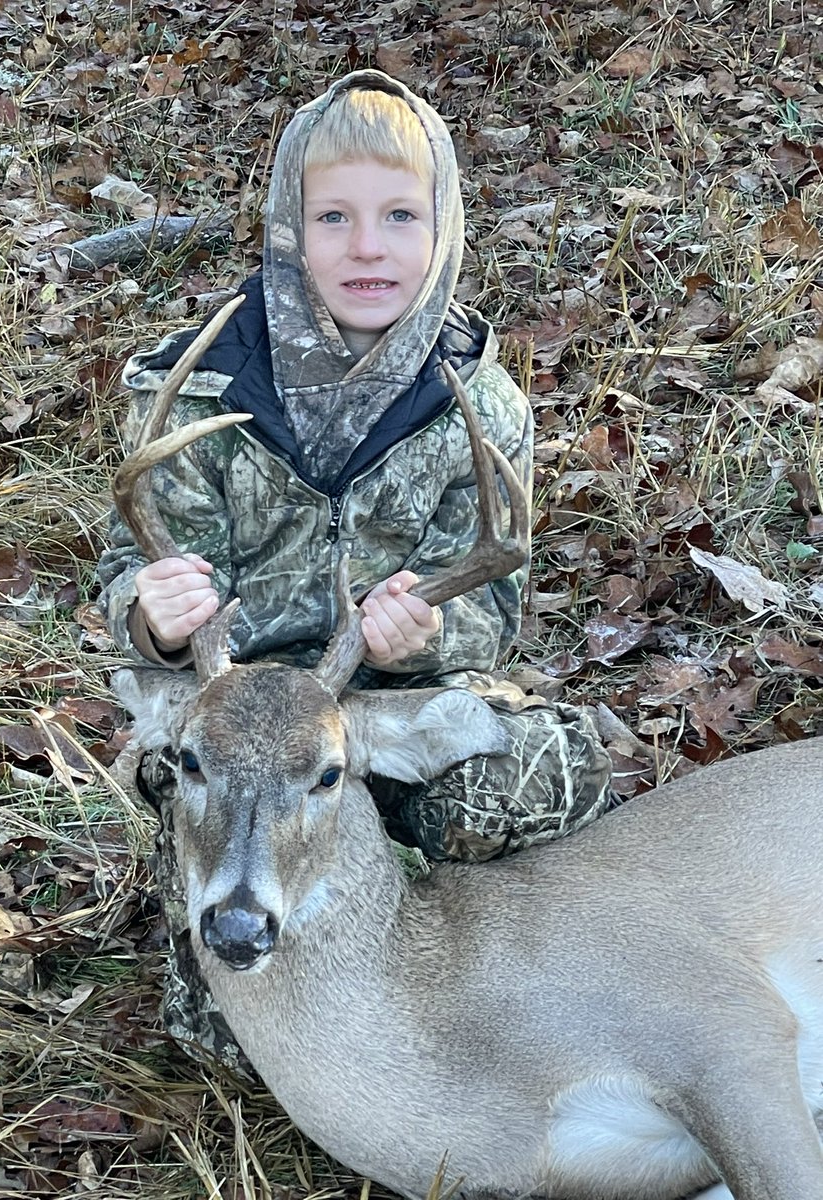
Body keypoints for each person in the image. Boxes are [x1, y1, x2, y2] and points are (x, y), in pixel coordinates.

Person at [98, 71, 614, 1068]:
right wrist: (152, 617)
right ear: (288, 226)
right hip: (238, 723)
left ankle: (450, 940)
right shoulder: (193, 389)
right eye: (332, 216)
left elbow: (494, 604)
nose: (367, 247)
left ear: (443, 227)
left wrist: (426, 632)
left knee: (527, 784)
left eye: (399, 216)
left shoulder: (482, 408)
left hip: (381, 711)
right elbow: (132, 566)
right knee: (228, 1049)